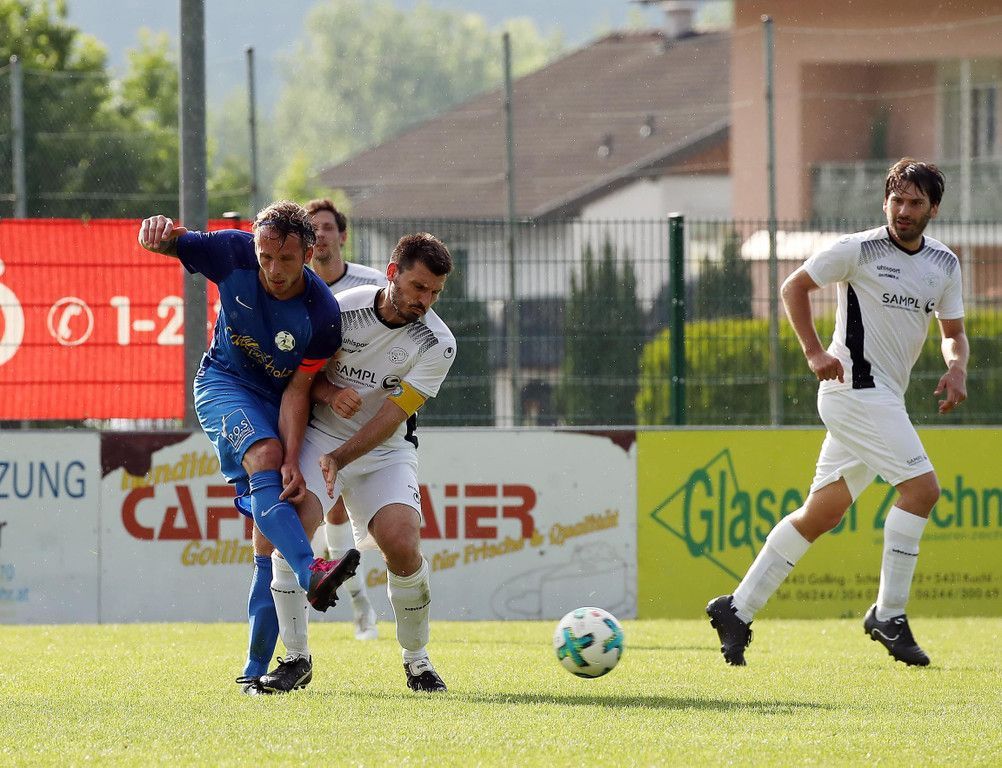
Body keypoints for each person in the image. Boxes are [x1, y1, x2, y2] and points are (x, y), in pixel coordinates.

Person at [707, 158, 968, 667]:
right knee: (922, 491)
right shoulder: (859, 249)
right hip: (854, 391)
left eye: (915, 202)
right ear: (885, 202)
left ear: (933, 208)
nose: (903, 210)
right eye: (896, 200)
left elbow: (953, 333)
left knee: (821, 514)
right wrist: (813, 352)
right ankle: (889, 615)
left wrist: (956, 367)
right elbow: (793, 287)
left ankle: (736, 608)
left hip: (882, 398)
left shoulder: (944, 263)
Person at [137, 201, 361, 694]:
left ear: (308, 253)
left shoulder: (322, 315)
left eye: (286, 259)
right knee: (263, 457)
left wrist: (294, 459)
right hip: (222, 384)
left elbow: (299, 390)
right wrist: (155, 231)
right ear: (254, 248)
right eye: (266, 257)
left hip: (277, 403)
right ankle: (312, 571)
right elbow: (170, 240)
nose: (274, 270)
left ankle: (255, 671)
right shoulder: (232, 251)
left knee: (271, 536)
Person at [294, 231, 456, 693]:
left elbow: (391, 417)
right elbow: (302, 377)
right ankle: (295, 658)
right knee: (290, 529)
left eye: (435, 293)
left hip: (385, 450)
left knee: (402, 544)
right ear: (392, 273)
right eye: (418, 287)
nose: (425, 301)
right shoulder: (340, 309)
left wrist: (340, 458)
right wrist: (330, 394)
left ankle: (417, 660)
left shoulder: (438, 342)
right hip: (320, 435)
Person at [305, 198, 385, 641]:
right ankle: (355, 606)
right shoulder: (291, 282)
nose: (319, 234)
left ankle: (358, 605)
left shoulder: (371, 284)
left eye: (326, 227)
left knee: (344, 511)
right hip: (308, 407)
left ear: (342, 235)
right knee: (314, 506)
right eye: (312, 228)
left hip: (358, 414)